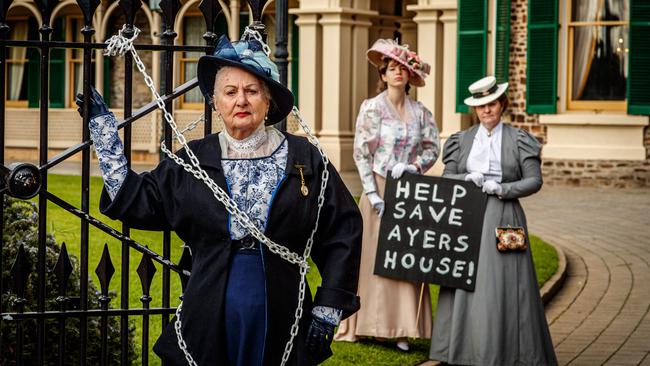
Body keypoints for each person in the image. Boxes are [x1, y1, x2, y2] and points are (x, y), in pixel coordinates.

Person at [76, 32, 362, 366]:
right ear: (215, 102)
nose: (241, 100)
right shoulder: (193, 160)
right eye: (230, 92)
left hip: (283, 308)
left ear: (268, 101)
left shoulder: (305, 159)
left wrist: (328, 307)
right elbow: (137, 200)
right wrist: (103, 132)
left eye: (252, 91)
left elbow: (344, 228)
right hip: (209, 306)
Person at [429, 76, 557, 365]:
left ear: (502, 105)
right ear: (475, 110)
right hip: (466, 216)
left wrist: (504, 189)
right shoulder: (461, 141)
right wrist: (466, 179)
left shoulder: (519, 138)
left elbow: (534, 181)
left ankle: (512, 352)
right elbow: (447, 178)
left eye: (492, 104)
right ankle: (465, 349)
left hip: (504, 216)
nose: (487, 110)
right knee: (466, 282)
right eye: (481, 106)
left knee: (503, 284)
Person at [334, 39, 440, 351]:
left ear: (410, 76)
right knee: (374, 257)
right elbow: (361, 154)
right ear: (383, 74)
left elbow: (433, 147)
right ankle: (371, 324)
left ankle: (404, 328)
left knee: (404, 256)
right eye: (392, 69)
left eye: (402, 69)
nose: (397, 73)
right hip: (378, 188)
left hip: (408, 189)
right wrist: (372, 192)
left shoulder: (420, 112)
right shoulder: (372, 107)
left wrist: (415, 167)